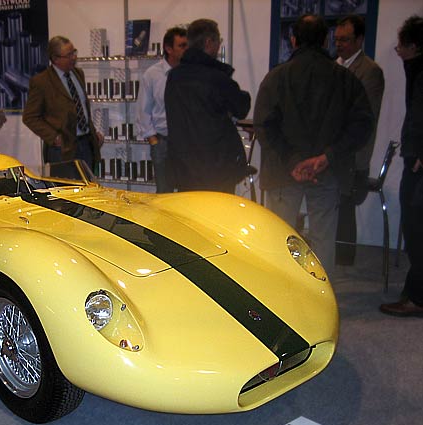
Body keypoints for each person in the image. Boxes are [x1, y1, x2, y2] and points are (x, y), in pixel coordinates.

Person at [253, 14, 373, 272]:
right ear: (325, 40)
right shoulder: (345, 79)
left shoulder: (276, 77)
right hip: (327, 170)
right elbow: (362, 125)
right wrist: (327, 156)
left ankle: (282, 292)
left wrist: (292, 161)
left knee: (280, 239)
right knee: (323, 240)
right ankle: (320, 293)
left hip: (284, 171)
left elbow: (264, 125)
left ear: (293, 40)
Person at [164, 18, 250, 193]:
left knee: (188, 209)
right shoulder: (215, 77)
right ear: (209, 42)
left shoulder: (174, 77)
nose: (219, 46)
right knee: (218, 210)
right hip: (216, 167)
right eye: (219, 41)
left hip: (184, 167)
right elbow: (241, 108)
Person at [380, 16, 423, 317]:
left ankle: (417, 298)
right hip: (416, 158)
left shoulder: (421, 73)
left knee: (416, 230)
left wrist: (419, 151)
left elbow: (419, 117)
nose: (398, 51)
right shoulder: (417, 70)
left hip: (419, 164)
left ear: (414, 46)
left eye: (401, 46)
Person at [334, 14, 385, 265]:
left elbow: (366, 117)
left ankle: (344, 260)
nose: (339, 44)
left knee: (346, 205)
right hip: (334, 149)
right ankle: (336, 255)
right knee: (334, 204)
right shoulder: (335, 65)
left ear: (359, 40)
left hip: (355, 153)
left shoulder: (370, 71)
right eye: (336, 39)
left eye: (345, 39)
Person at [22, 36, 103, 172]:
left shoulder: (78, 74)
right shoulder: (41, 82)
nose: (74, 57)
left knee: (87, 184)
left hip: (86, 144)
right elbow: (29, 117)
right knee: (65, 185)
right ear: (55, 58)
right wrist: (54, 137)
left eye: (74, 52)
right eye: (69, 55)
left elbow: (82, 109)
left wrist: (93, 134)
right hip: (62, 150)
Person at [135, 26, 187, 192]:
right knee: (164, 193)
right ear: (168, 49)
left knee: (187, 192)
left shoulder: (189, 73)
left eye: (187, 45)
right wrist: (154, 141)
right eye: (181, 45)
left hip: (186, 142)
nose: (186, 49)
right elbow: (143, 110)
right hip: (162, 141)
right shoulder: (152, 75)